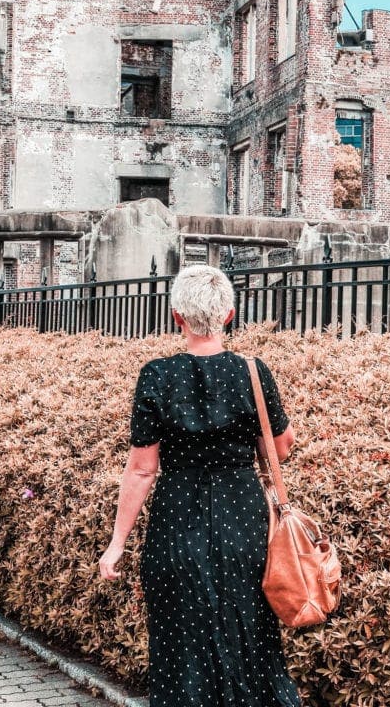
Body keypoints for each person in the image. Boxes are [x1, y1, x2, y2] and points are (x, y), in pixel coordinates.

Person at [99, 264, 300, 707]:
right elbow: (281, 449)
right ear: (229, 314)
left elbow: (141, 469)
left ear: (177, 317)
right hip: (243, 519)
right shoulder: (253, 371)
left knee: (180, 646)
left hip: (177, 518)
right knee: (250, 638)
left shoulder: (156, 375)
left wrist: (117, 543)